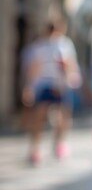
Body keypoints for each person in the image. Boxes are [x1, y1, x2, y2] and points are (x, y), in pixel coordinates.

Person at [22, 19, 81, 165]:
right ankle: (43, 147)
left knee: (55, 115)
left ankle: (50, 145)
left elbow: (33, 68)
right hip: (51, 83)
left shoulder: (57, 45)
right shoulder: (53, 45)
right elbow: (35, 68)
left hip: (54, 83)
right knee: (51, 115)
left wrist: (30, 86)